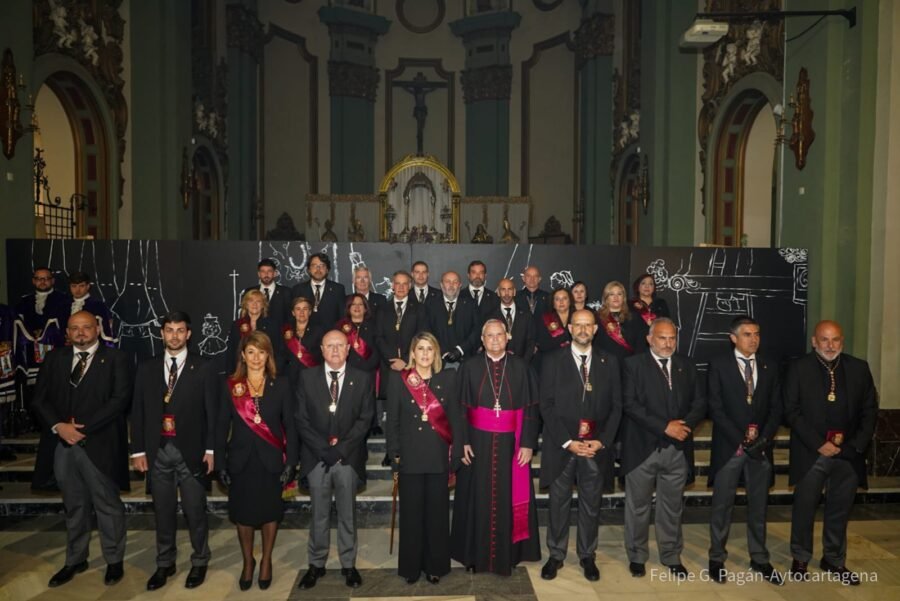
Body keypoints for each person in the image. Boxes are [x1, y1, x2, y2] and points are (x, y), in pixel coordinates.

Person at [32, 311, 131, 588]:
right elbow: (39, 400)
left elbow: (120, 399)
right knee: (74, 506)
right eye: (75, 328)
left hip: (100, 443)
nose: (81, 333)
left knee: (107, 506)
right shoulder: (54, 359)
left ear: (97, 329)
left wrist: (82, 429)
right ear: (67, 331)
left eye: (86, 327)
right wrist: (59, 426)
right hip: (63, 445)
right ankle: (75, 559)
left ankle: (114, 560)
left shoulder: (117, 359)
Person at [784, 320, 877, 586]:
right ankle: (800, 556)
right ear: (814, 341)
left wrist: (855, 446)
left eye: (835, 339)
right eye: (824, 340)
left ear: (842, 341)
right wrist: (817, 443)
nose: (830, 345)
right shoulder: (798, 368)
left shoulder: (859, 368)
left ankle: (834, 559)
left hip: (848, 454)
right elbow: (791, 411)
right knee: (804, 507)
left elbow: (869, 411)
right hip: (811, 452)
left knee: (840, 508)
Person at [130, 311, 216, 590]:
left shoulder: (202, 367)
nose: (175, 335)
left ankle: (200, 561)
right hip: (157, 452)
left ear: (189, 334)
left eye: (180, 330)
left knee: (195, 511)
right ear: (162, 333)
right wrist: (138, 450)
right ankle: (164, 563)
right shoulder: (147, 367)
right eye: (169, 330)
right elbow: (138, 411)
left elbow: (212, 413)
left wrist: (211, 449)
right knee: (162, 511)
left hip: (191, 451)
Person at [451, 319, 541, 575]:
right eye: (489, 335)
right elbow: (459, 408)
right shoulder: (469, 366)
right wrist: (463, 442)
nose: (494, 339)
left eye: (499, 335)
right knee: (474, 497)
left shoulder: (522, 367)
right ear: (482, 339)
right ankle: (472, 554)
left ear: (508, 336)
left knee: (507, 496)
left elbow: (532, 407)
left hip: (511, 444)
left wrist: (527, 443)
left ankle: (509, 554)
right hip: (476, 442)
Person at [539, 310, 622, 582]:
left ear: (596, 329)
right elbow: (546, 405)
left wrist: (602, 441)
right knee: (558, 504)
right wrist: (568, 441)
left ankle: (587, 555)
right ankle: (556, 555)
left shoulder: (609, 362)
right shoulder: (552, 361)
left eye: (589, 325)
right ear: (570, 327)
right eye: (579, 325)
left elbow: (616, 408)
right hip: (562, 446)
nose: (584, 329)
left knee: (591, 504)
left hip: (594, 449)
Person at [620, 317, 706, 578]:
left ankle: (671, 555)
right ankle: (637, 555)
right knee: (638, 506)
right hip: (642, 448)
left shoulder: (687, 366)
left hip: (678, 449)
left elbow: (700, 403)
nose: (668, 343)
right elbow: (630, 404)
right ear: (649, 339)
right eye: (662, 338)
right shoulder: (632, 365)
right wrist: (664, 426)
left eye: (672, 338)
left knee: (672, 506)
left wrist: (683, 427)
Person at [217, 331, 298, 591]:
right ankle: (247, 561)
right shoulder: (231, 385)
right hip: (240, 461)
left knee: (270, 513)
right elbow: (220, 427)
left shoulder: (281, 384)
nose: (256, 357)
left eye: (261, 352)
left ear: (268, 355)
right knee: (243, 515)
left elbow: (292, 427)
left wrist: (291, 463)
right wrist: (220, 463)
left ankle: (266, 561)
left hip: (272, 461)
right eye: (250, 352)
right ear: (242, 355)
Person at [707, 316, 784, 585]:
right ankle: (716, 557)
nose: (754, 339)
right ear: (733, 338)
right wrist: (741, 439)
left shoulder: (769, 365)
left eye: (757, 333)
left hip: (760, 450)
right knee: (722, 506)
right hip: (731, 448)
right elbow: (715, 408)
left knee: (758, 506)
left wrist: (762, 439)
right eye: (748, 334)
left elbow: (777, 408)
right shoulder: (718, 365)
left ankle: (760, 558)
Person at [295, 330, 375, 590]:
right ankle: (316, 564)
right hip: (317, 459)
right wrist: (323, 450)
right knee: (318, 514)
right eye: (330, 345)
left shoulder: (362, 379)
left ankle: (348, 564)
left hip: (347, 459)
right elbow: (301, 419)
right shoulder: (306, 377)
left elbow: (365, 419)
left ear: (349, 348)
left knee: (347, 514)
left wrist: (340, 450)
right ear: (321, 348)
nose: (336, 350)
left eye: (340, 345)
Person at [385, 332, 461, 584]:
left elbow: (455, 420)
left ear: (436, 353)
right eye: (420, 349)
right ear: (413, 353)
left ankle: (435, 566)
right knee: (412, 515)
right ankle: (411, 568)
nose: (425, 353)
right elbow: (393, 421)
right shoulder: (399, 381)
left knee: (436, 515)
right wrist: (394, 453)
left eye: (430, 348)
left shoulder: (448, 380)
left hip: (438, 457)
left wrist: (456, 453)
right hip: (410, 457)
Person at [14, 267, 67, 435]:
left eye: (46, 278)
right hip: (31, 353)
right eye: (38, 278)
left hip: (55, 350)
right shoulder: (24, 301)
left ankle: (56, 421)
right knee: (33, 387)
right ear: (33, 281)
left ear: (52, 280)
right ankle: (35, 421)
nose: (42, 281)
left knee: (54, 386)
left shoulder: (63, 300)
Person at [424, 271, 480, 367]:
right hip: (438, 361)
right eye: (447, 282)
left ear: (460, 285)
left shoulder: (471, 305)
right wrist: (443, 351)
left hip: (466, 361)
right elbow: (427, 331)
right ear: (441, 285)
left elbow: (477, 331)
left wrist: (460, 350)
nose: (451, 285)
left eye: (455, 282)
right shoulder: (430, 305)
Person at [225, 289, 282, 375]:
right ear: (246, 304)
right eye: (251, 301)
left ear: (263, 305)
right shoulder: (236, 325)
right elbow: (231, 353)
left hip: (265, 373)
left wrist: (272, 372)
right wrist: (231, 375)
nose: (254, 304)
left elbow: (278, 352)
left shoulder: (272, 325)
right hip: (241, 373)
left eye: (258, 301)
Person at [594, 280, 647, 364]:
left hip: (629, 366)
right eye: (612, 294)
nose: (616, 297)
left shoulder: (635, 318)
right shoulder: (597, 318)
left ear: (624, 297)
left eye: (619, 294)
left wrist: (636, 364)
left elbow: (641, 345)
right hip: (605, 365)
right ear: (606, 298)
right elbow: (595, 345)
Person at [291, 253, 346, 328]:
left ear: (327, 269)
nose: (318, 269)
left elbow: (342, 317)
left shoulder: (338, 289)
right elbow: (292, 316)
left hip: (330, 335)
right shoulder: (298, 289)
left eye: (322, 266)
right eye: (314, 266)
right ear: (309, 270)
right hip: (306, 336)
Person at [488, 278, 535, 362]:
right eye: (503, 290)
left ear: (514, 292)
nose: (506, 293)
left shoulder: (526, 315)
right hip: (498, 365)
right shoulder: (490, 317)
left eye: (509, 289)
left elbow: (531, 343)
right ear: (498, 293)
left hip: (522, 364)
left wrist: (523, 364)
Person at [283, 297, 324, 387]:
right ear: (293, 312)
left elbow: (322, 356)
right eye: (298, 309)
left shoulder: (319, 331)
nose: (301, 312)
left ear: (310, 312)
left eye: (305, 309)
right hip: (289, 377)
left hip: (312, 377)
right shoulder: (285, 330)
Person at [66, 271, 116, 344]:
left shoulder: (98, 305)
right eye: (74, 286)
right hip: (65, 348)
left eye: (81, 286)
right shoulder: (63, 305)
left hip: (90, 346)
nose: (77, 290)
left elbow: (106, 331)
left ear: (88, 286)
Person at [533, 288, 574, 373]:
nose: (561, 302)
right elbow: (543, 345)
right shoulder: (545, 319)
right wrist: (566, 336)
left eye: (564, 298)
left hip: (574, 362)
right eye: (557, 299)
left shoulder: (578, 318)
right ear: (553, 304)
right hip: (551, 364)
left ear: (570, 301)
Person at [242, 258, 292, 327]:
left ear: (275, 273)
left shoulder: (286, 292)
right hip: (256, 335)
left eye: (269, 271)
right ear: (259, 274)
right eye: (263, 271)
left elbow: (290, 318)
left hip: (279, 335)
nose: (266, 274)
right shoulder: (249, 292)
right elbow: (244, 316)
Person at [462, 260, 500, 325]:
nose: (477, 276)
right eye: (474, 272)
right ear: (468, 275)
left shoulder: (494, 298)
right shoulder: (459, 296)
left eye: (481, 273)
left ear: (485, 276)